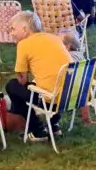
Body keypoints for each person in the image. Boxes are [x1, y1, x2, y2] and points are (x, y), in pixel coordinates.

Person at [4, 11, 72, 139]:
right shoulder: (54, 38)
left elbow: (22, 81)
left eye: (13, 29)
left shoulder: (23, 44)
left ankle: (37, 129)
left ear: (25, 29)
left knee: (12, 86)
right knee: (38, 85)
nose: (11, 33)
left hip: (52, 99)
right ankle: (53, 125)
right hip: (72, 95)